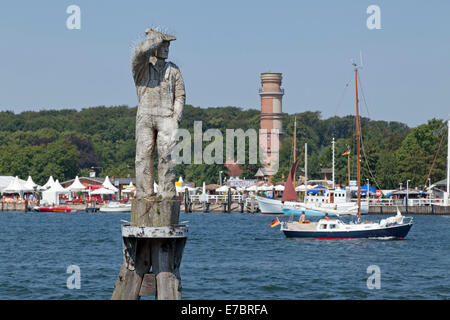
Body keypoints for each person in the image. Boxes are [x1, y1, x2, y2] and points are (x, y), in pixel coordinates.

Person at [132, 28, 186, 200]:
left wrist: (176, 116)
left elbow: (180, 95)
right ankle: (143, 192)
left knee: (167, 156)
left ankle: (166, 192)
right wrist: (154, 38)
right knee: (143, 155)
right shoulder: (142, 67)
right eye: (162, 45)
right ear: (154, 46)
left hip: (166, 116)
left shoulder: (174, 70)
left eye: (167, 45)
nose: (166, 48)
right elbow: (139, 53)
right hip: (146, 116)